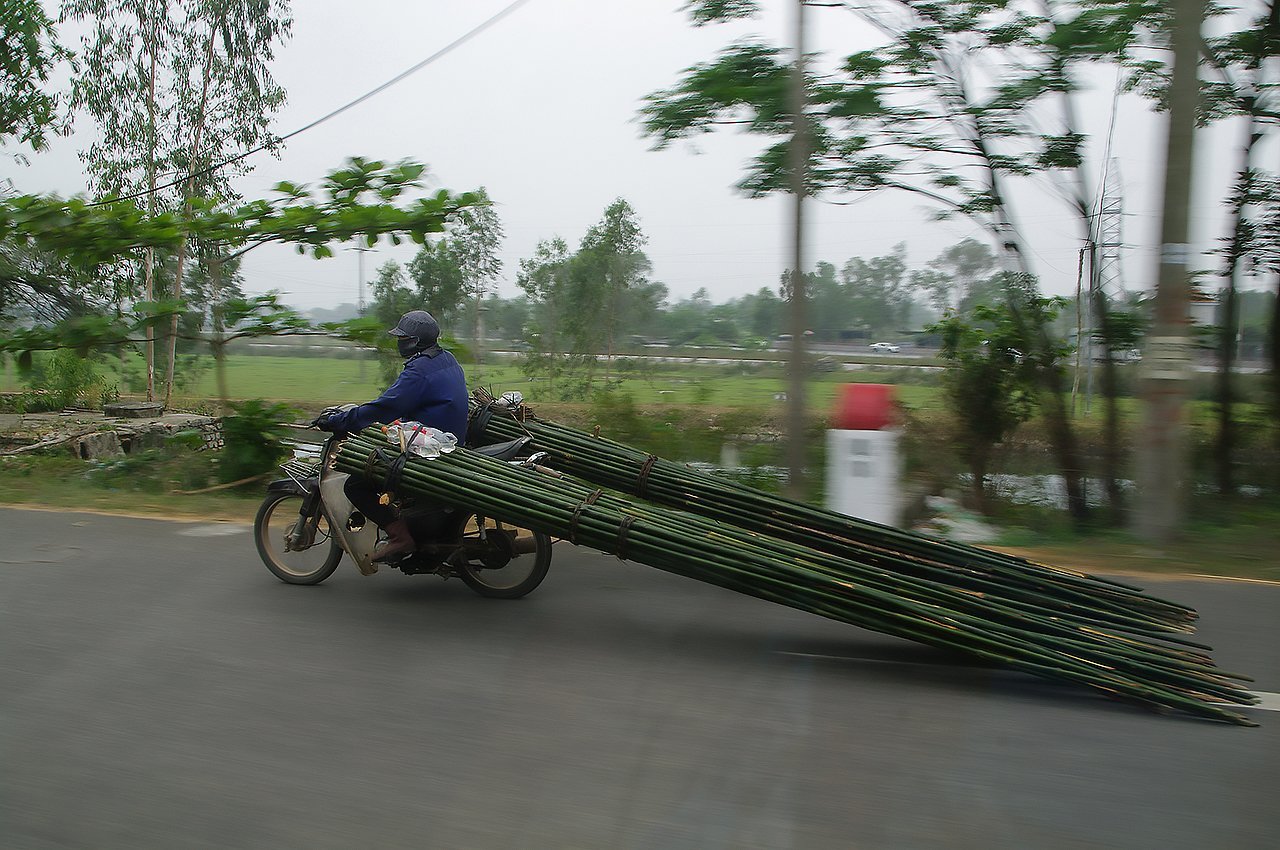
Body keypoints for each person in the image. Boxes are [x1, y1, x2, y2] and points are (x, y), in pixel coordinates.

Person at [316, 309, 467, 562]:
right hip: (446, 440)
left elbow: (385, 407)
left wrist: (341, 421)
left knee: (356, 484)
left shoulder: (419, 371)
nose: (398, 342)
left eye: (402, 338)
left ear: (414, 341)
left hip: (429, 449)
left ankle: (400, 537)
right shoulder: (446, 358)